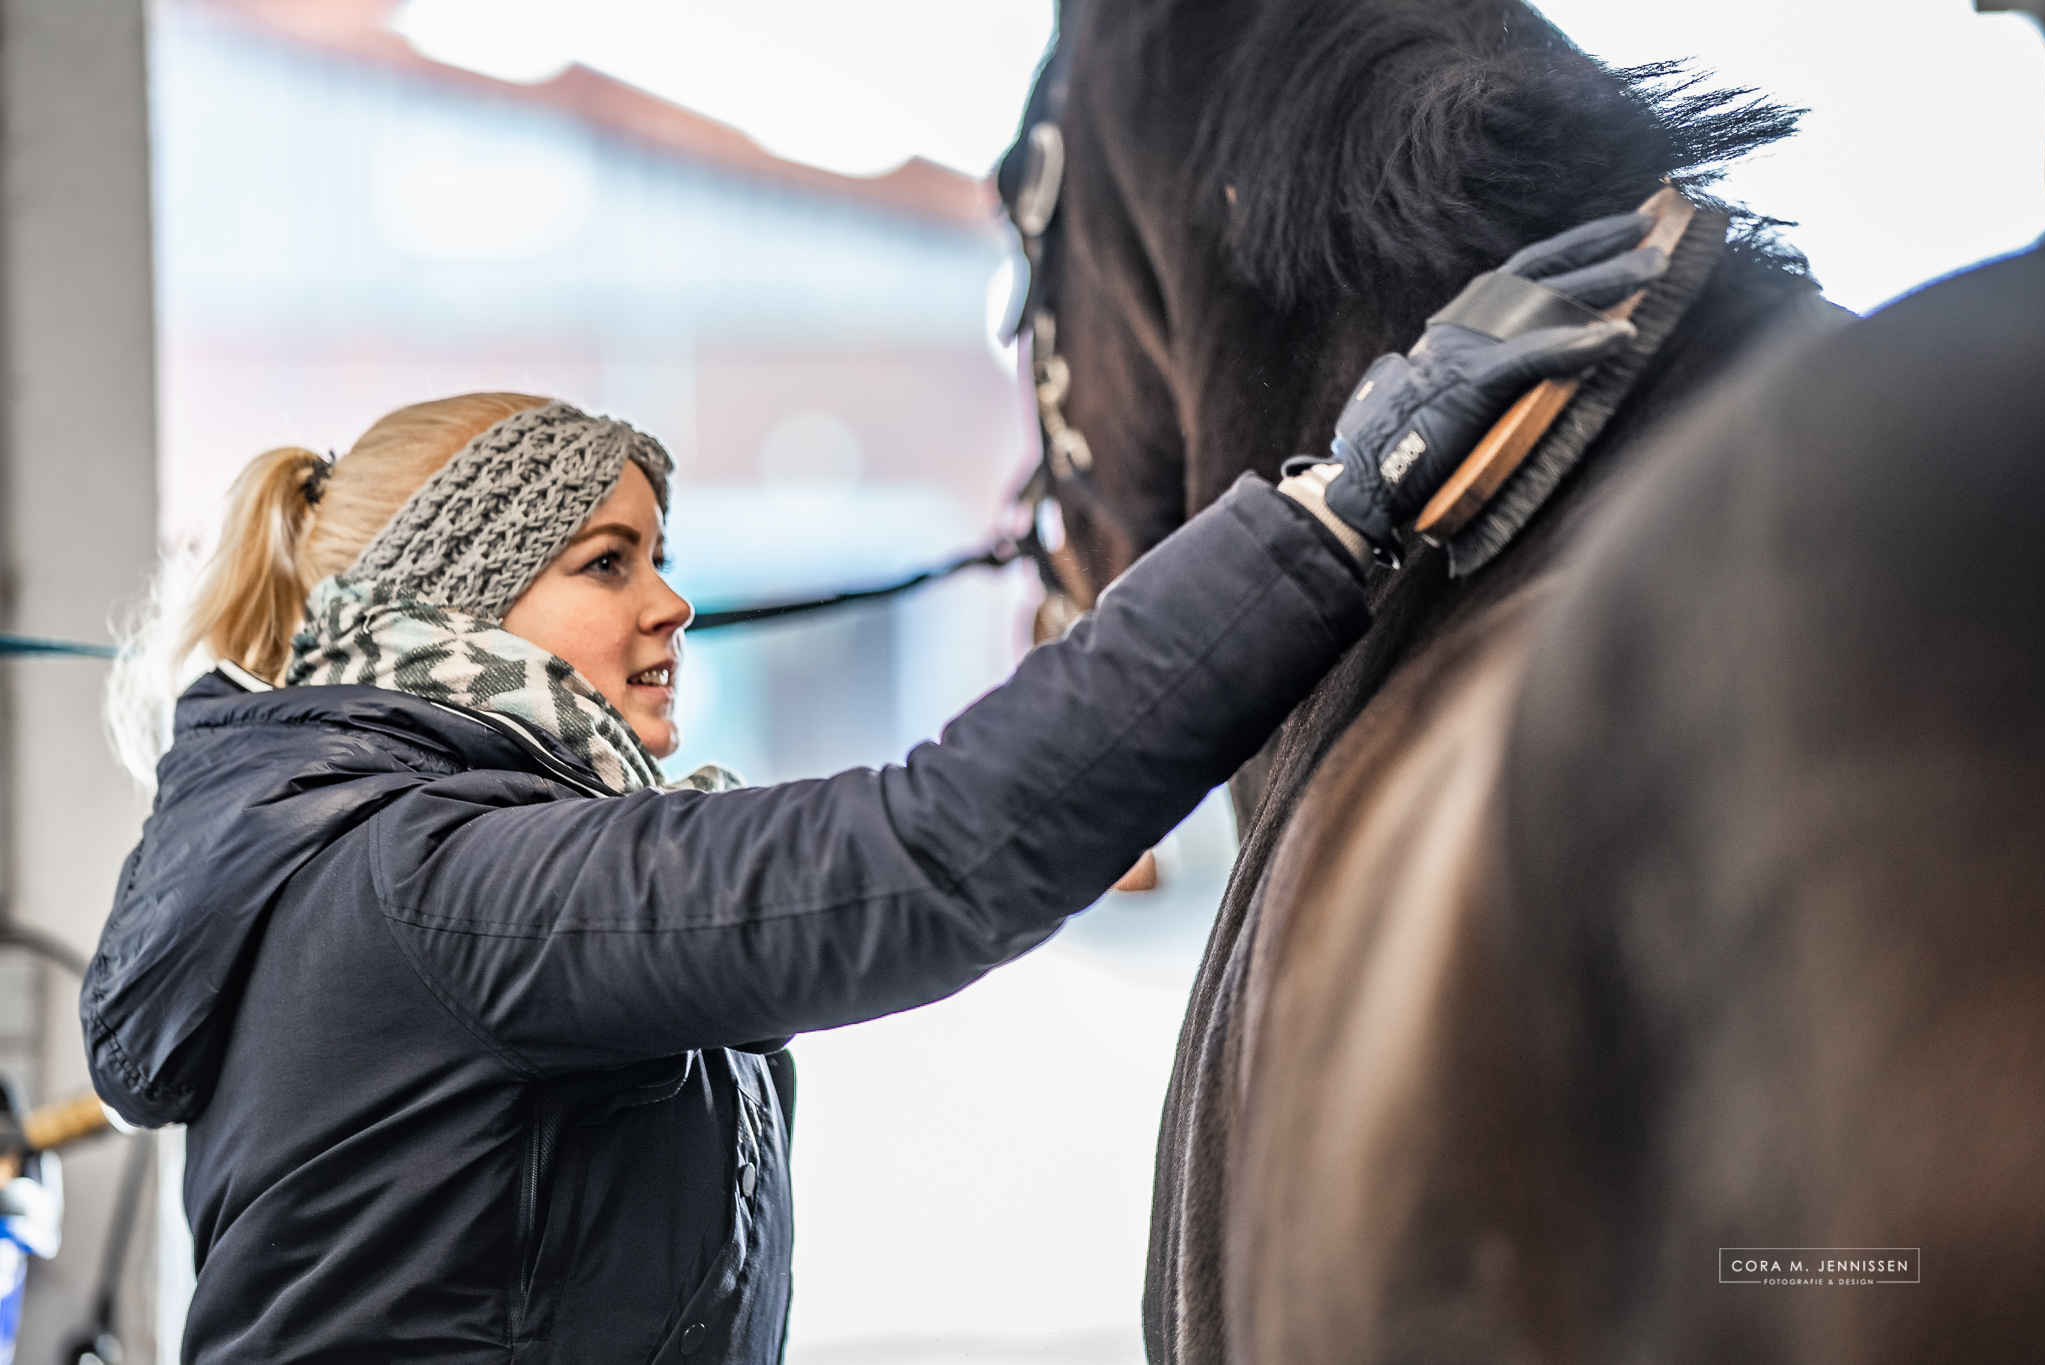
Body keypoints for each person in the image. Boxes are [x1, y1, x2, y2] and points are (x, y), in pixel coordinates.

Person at [81, 214, 1661, 1363]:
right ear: (447, 604)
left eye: (667, 555)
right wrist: (1333, 514)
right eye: (605, 560)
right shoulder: (436, 886)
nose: (672, 602)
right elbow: (934, 850)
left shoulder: (421, 867)